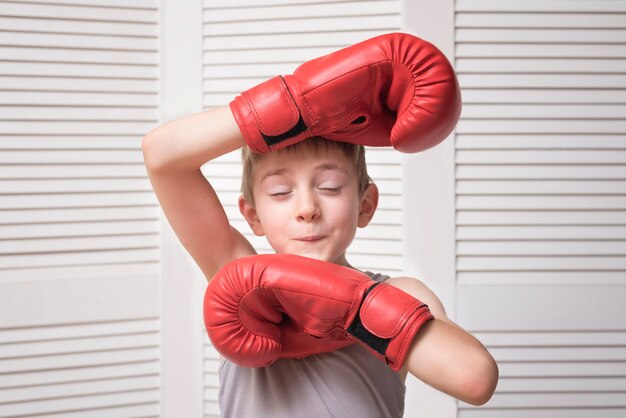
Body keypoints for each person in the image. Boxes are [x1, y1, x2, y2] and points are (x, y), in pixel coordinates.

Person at [142, 33, 499, 417]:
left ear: (366, 205)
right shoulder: (238, 282)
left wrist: (353, 308)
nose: (307, 207)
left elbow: (474, 380)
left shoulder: (400, 292)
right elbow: (161, 155)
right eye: (280, 192)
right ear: (253, 216)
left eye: (329, 186)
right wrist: (296, 104)